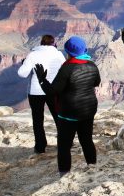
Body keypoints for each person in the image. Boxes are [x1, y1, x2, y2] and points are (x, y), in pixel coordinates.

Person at [34, 36, 101, 175]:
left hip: (70, 113)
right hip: (88, 110)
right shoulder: (92, 65)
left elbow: (52, 92)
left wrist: (42, 79)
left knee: (64, 145)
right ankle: (93, 168)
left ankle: (64, 174)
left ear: (68, 52)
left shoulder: (67, 68)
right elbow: (96, 82)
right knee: (87, 140)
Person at [18, 35, 65, 153]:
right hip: (54, 90)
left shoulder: (33, 55)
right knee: (58, 116)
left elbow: (22, 73)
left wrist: (24, 64)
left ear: (41, 43)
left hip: (36, 91)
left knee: (38, 119)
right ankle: (64, 143)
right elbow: (65, 70)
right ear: (53, 43)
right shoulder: (58, 54)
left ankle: (40, 146)